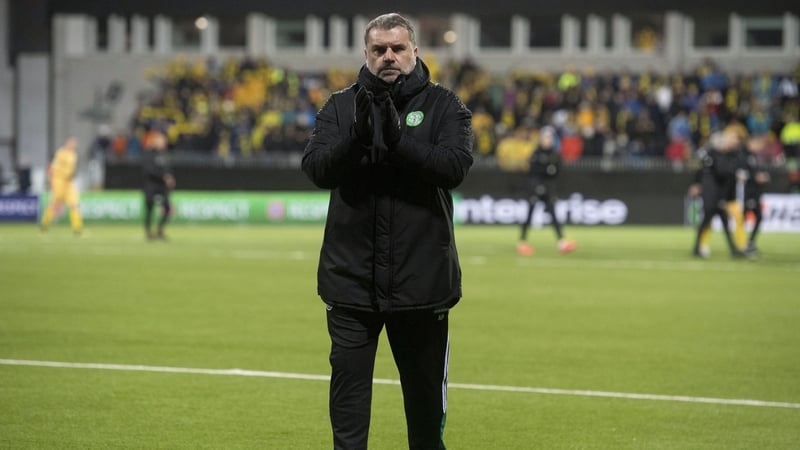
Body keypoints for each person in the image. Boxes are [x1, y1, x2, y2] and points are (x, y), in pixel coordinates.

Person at [301, 13, 473, 450]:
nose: (389, 57)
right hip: (351, 285)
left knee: (425, 415)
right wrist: (357, 138)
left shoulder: (445, 106)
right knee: (348, 413)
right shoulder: (340, 107)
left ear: (415, 51)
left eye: (397, 48)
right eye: (379, 50)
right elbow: (317, 169)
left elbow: (454, 168)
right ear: (366, 54)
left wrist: (399, 143)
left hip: (422, 286)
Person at [517, 126, 576, 256]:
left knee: (553, 215)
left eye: (549, 138)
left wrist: (547, 171)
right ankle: (522, 241)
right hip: (535, 188)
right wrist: (546, 172)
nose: (547, 140)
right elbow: (534, 172)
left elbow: (556, 172)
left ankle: (561, 242)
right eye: (545, 137)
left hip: (548, 189)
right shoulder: (536, 153)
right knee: (530, 214)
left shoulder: (554, 155)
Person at [688, 132, 746, 258]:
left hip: (717, 194)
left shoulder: (719, 155)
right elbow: (720, 172)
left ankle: (699, 248)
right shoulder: (713, 155)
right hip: (712, 194)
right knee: (710, 220)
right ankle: (700, 247)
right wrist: (734, 173)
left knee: (715, 221)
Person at [40, 136, 83, 234]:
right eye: (72, 143)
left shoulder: (74, 155)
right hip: (59, 181)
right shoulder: (60, 153)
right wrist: (50, 180)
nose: (74, 145)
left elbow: (72, 169)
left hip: (69, 182)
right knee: (55, 203)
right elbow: (53, 167)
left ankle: (77, 228)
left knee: (74, 203)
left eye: (75, 144)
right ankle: (44, 223)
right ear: (67, 143)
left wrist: (72, 175)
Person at [142, 131, 175, 240]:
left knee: (167, 208)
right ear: (155, 141)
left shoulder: (166, 154)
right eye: (161, 140)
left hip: (162, 186)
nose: (163, 142)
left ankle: (160, 230)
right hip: (151, 185)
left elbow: (168, 169)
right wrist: (163, 176)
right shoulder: (149, 153)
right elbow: (148, 170)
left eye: (164, 140)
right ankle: (149, 232)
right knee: (149, 209)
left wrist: (170, 177)